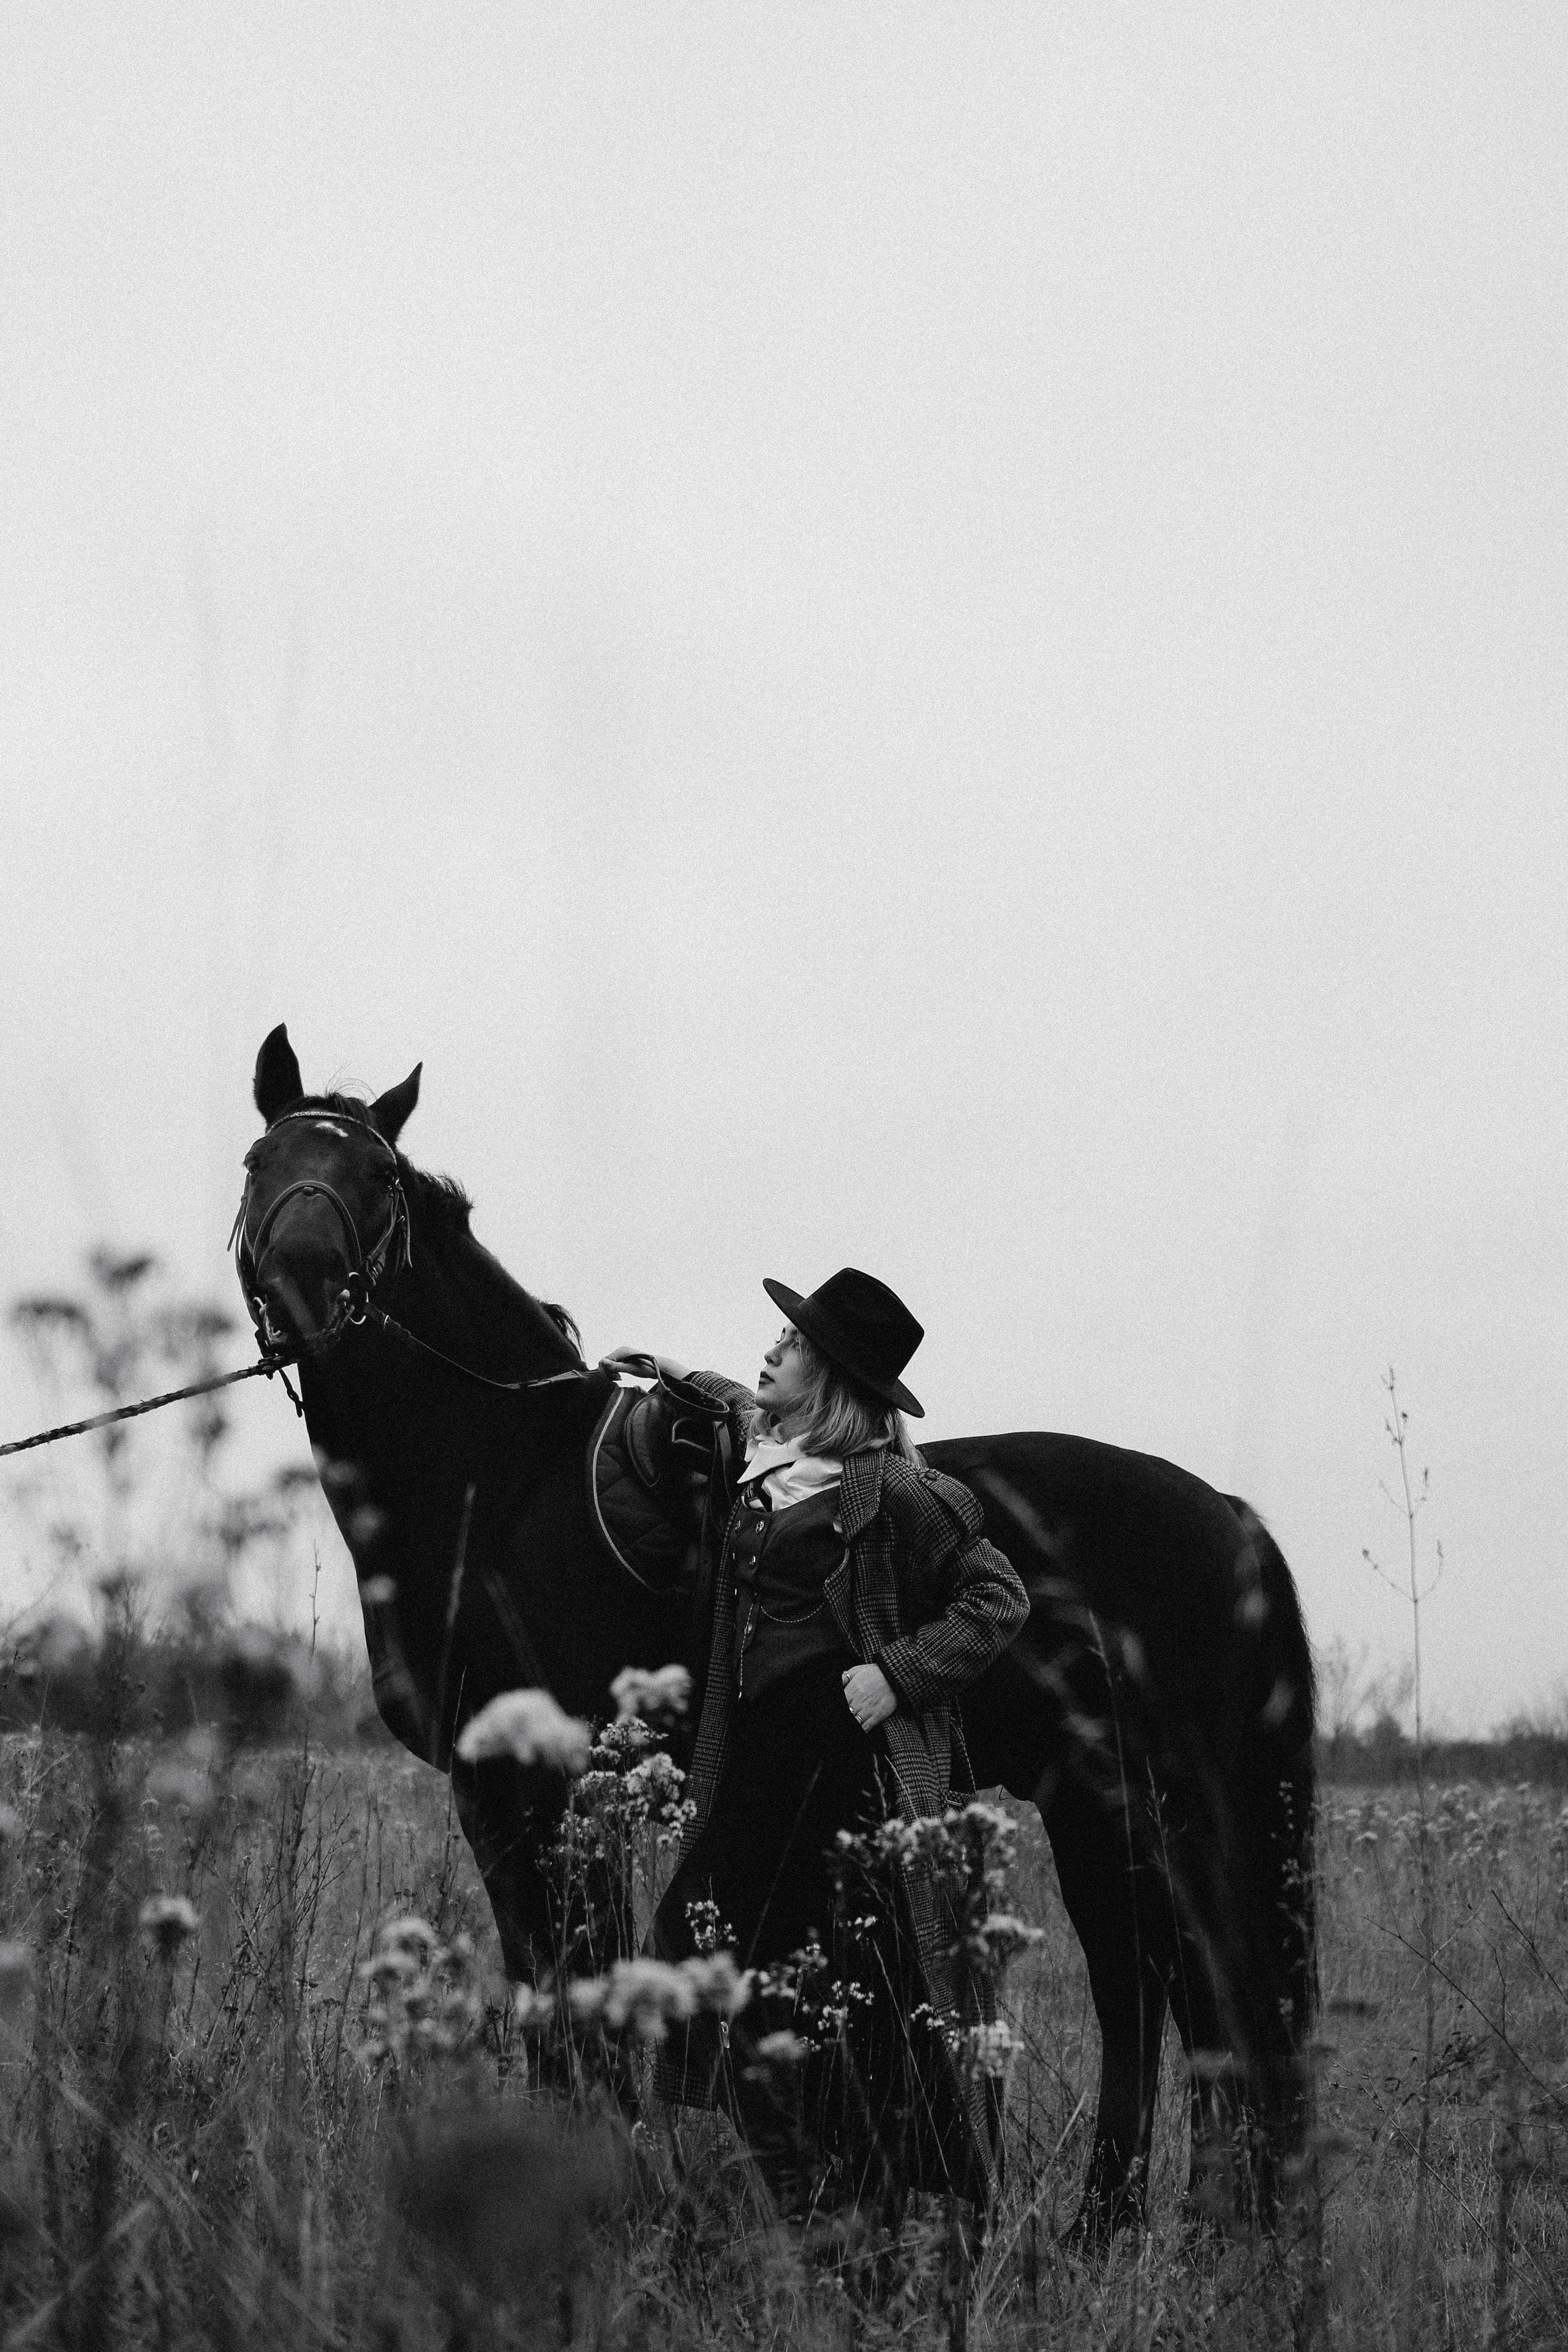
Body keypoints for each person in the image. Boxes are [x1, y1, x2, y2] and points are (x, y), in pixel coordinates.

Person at [610, 1268, 1030, 2222]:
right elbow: (739, 1406)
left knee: (850, 2002)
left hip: (841, 1783)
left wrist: (900, 1674)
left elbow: (998, 1597)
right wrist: (681, 1372)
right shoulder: (770, 1461)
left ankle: (869, 2201)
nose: (772, 1349)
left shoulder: (899, 1492)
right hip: (758, 1775)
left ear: (833, 1381)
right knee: (701, 1960)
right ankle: (801, 2185)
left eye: (791, 1344)